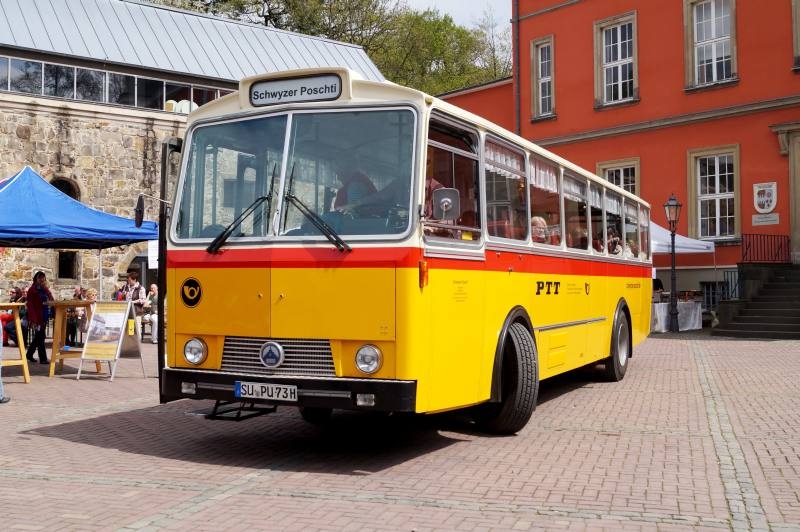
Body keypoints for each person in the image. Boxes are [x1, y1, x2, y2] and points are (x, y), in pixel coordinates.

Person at [25, 270, 53, 364]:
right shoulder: (32, 290)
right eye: (40, 278)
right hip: (37, 317)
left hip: (44, 315)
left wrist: (46, 289)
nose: (42, 280)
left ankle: (29, 354)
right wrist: (33, 319)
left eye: (43, 278)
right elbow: (30, 305)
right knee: (41, 337)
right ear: (36, 279)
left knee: (39, 336)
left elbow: (51, 298)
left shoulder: (44, 289)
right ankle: (43, 358)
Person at [121, 271, 147, 336]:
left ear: (134, 280)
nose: (128, 281)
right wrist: (123, 295)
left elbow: (143, 300)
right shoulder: (126, 287)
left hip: (136, 311)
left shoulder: (140, 288)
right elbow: (123, 297)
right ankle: (130, 341)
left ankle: (138, 341)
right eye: (128, 280)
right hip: (127, 310)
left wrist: (133, 302)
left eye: (130, 280)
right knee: (129, 328)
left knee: (137, 328)